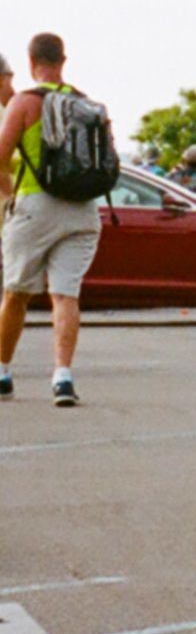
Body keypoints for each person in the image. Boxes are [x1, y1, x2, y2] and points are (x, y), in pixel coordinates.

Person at [0, 35, 106, 406]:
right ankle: (62, 376)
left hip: (35, 204)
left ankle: (2, 372)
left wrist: (9, 189)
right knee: (66, 294)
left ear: (31, 62)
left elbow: (1, 152)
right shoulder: (87, 103)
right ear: (64, 60)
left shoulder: (24, 103)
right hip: (82, 208)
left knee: (16, 293)